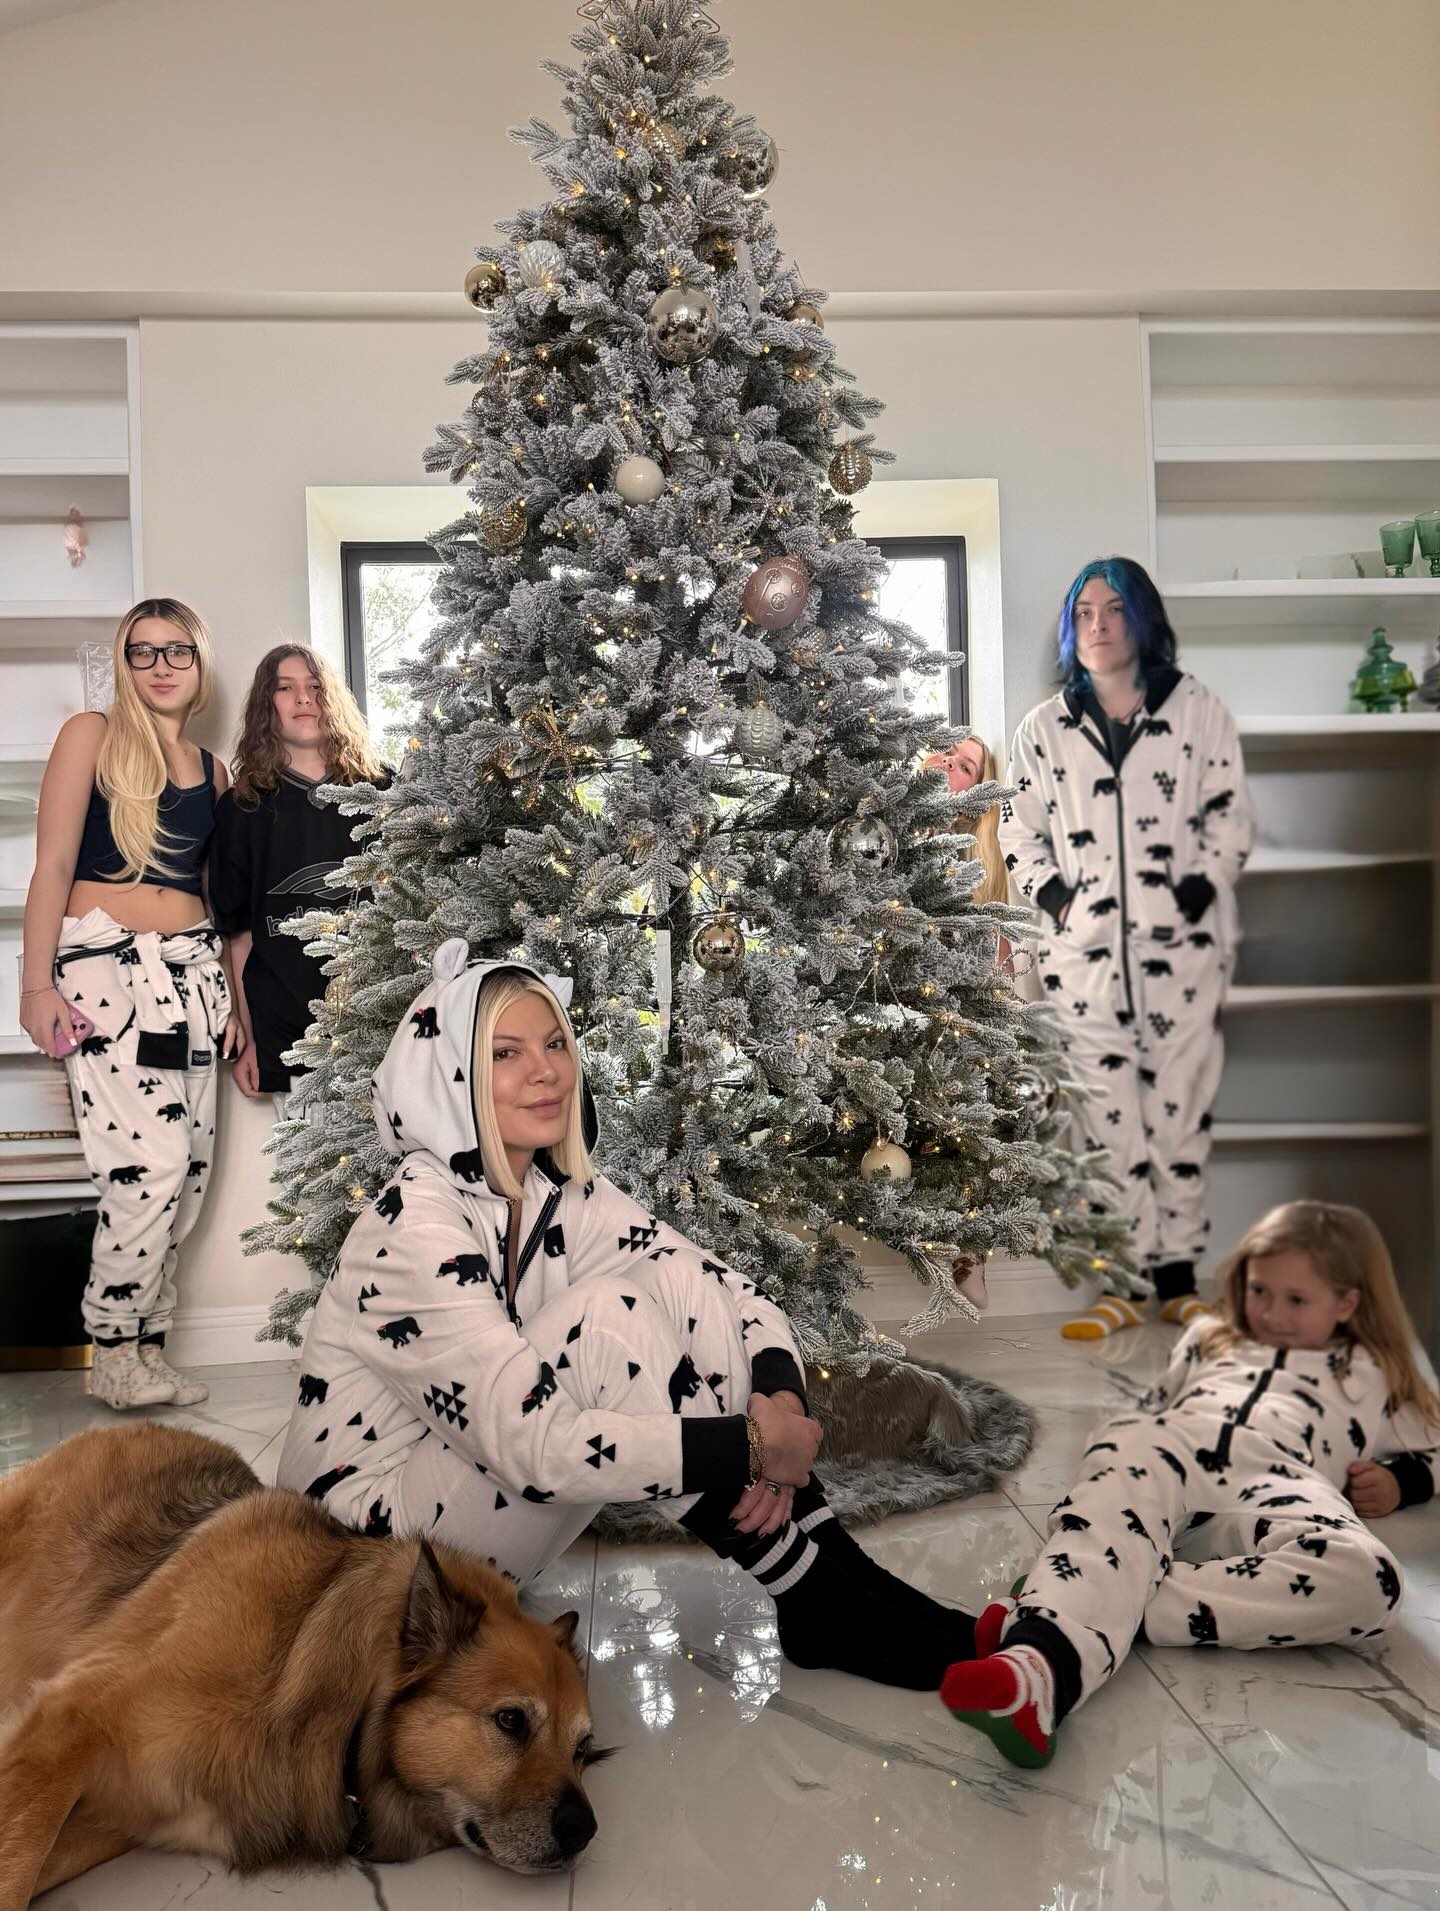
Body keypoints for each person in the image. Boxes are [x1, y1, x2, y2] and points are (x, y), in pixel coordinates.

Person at [276, 942, 978, 1690]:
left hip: (475, 1547)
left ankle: (830, 1578)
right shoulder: (412, 1226)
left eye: (554, 1043)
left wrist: (779, 1398)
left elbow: (726, 1290)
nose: (545, 1070)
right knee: (606, 1325)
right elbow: (532, 1445)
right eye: (506, 1053)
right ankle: (820, 1595)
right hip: (362, 1580)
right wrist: (745, 1446)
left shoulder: (550, 1192)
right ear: (452, 1078)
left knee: (676, 1289)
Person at [940, 1200, 1435, 1767]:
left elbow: (1436, 1442)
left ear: (1347, 1302)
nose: (1271, 1313)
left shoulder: (1373, 1371)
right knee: (1127, 1456)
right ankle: (1039, 1665)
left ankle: (1094, 1598)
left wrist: (1404, 1479)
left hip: (1277, 1479)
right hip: (1170, 1447)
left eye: (1297, 1300)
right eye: (1260, 1291)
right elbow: (1156, 1407)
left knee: (1371, 1578)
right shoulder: (1210, 1336)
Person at [999, 557, 1254, 1339]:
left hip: (1182, 955)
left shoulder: (1196, 710)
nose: (1099, 625)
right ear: (1072, 630)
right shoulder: (1045, 729)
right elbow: (1018, 829)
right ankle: (1118, 1284)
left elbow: (1229, 817)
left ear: (1142, 620)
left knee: (1179, 1116)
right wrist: (1058, 901)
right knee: (1104, 1123)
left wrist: (1191, 894)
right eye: (1085, 613)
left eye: (1113, 610)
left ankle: (1176, 1281)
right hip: (1085, 962)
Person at [19, 599, 242, 1410]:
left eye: (176, 650)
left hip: (193, 976)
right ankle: (111, 1348)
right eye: (142, 651)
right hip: (108, 975)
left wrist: (235, 1001)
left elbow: (217, 898)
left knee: (187, 1173)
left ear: (198, 661)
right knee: (143, 1165)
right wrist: (35, 982)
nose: (159, 665)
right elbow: (50, 866)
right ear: (124, 662)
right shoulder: (92, 734)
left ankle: (147, 1346)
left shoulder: (212, 770)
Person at [208, 644, 388, 1116]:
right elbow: (239, 936)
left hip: (385, 1021)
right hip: (288, 1028)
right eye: (285, 688)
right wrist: (249, 1037)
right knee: (320, 1179)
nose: (303, 699)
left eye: (315, 687)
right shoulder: (242, 806)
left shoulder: (384, 793)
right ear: (266, 706)